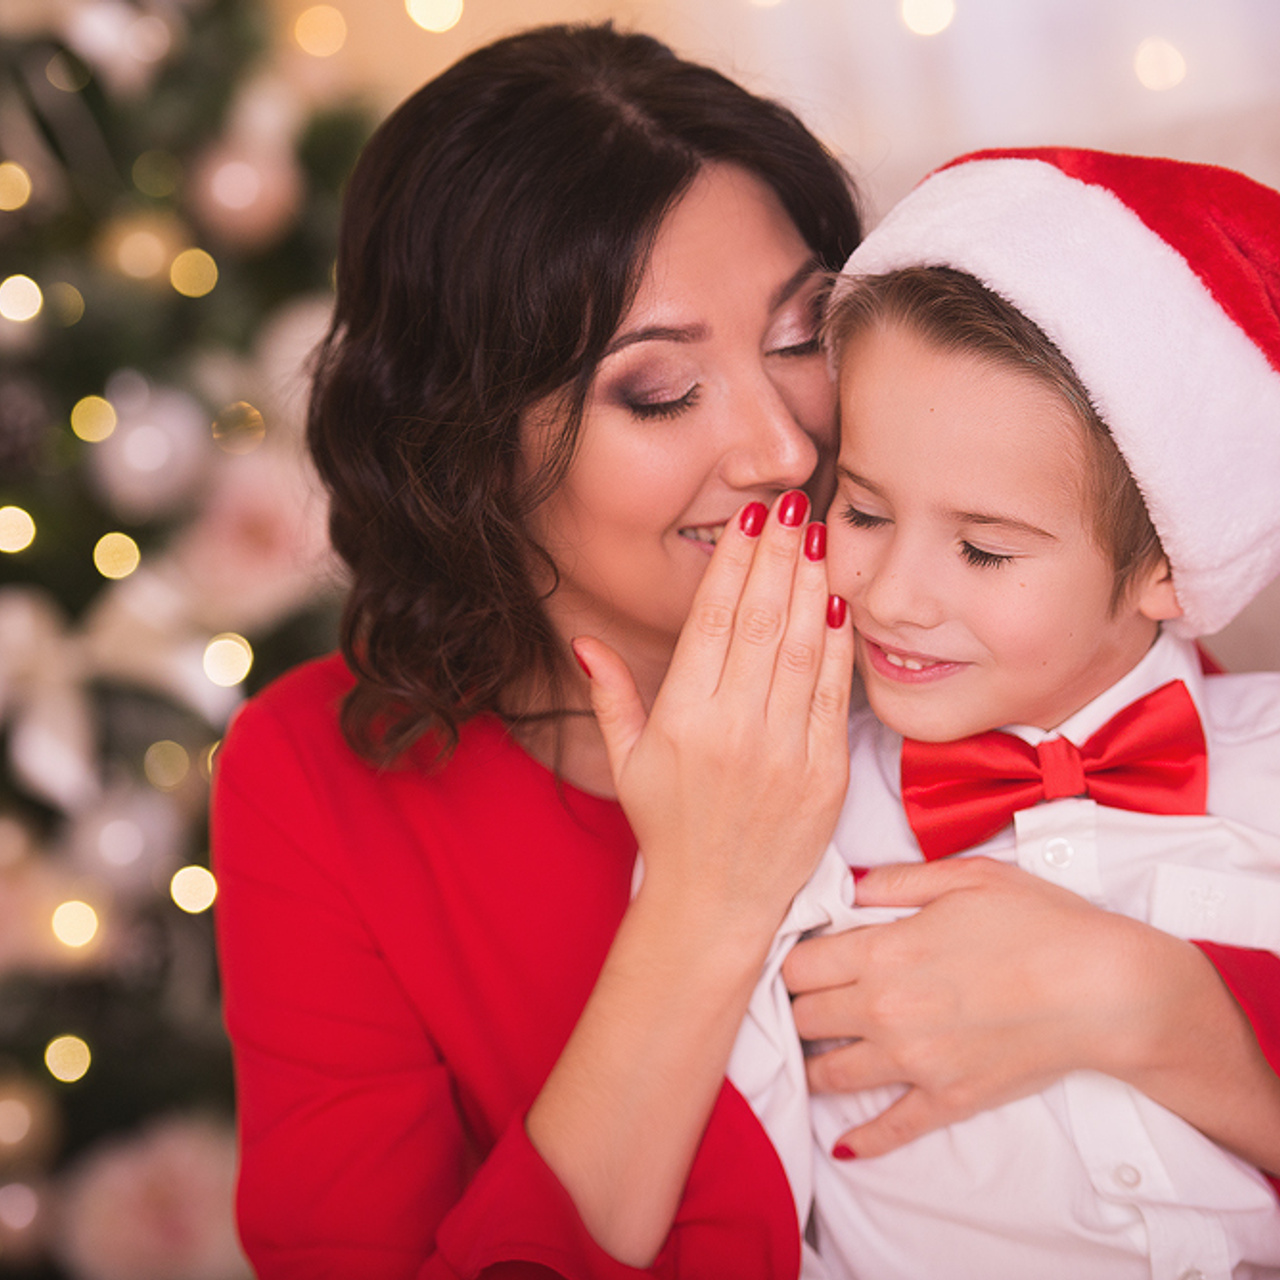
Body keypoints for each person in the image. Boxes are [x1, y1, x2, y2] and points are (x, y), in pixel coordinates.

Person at [210, 21, 1280, 1276]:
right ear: (468, 443)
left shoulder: (966, 628)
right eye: (660, 391)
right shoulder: (315, 774)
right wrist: (703, 906)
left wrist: (1159, 1013)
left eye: (799, 336)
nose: (782, 448)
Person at [729, 148, 1280, 1277]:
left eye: (982, 548)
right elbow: (745, 1213)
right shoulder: (785, 819)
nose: (892, 596)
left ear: (1165, 564)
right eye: (863, 511)